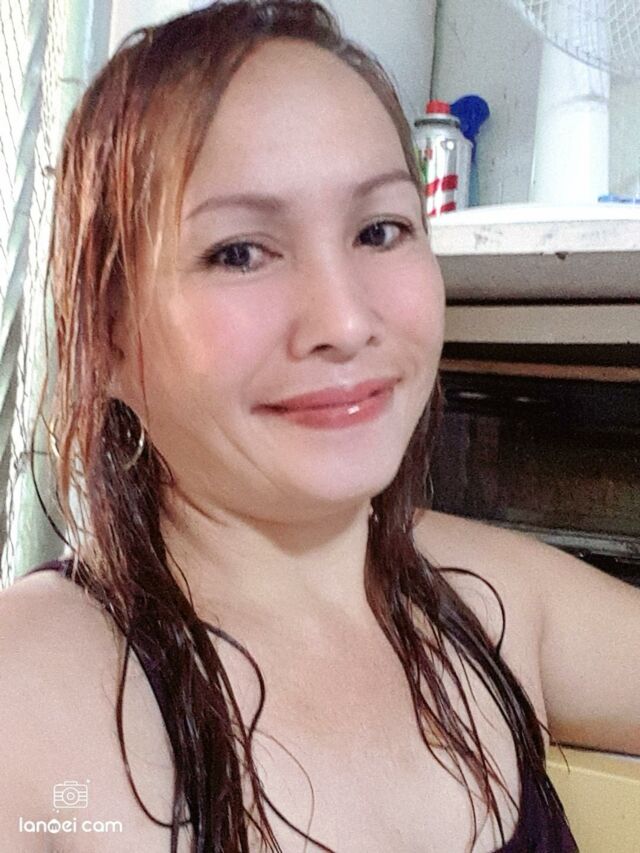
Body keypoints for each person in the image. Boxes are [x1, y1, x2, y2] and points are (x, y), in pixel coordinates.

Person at [0, 1, 638, 851]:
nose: (343, 320)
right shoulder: (31, 696)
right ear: (107, 336)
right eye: (239, 252)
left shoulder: (492, 595)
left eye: (379, 230)